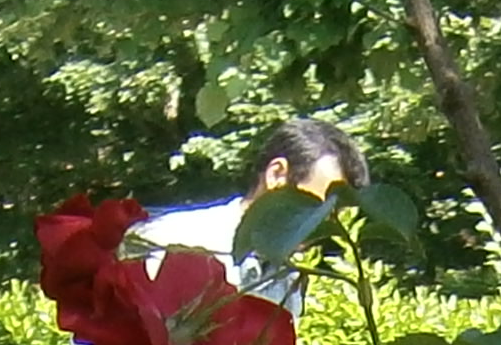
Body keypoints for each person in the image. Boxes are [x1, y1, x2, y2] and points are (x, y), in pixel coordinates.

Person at [129, 117, 370, 308]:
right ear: (277, 174)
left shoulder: (288, 281)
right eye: (321, 206)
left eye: (336, 213)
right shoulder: (174, 241)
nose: (329, 224)